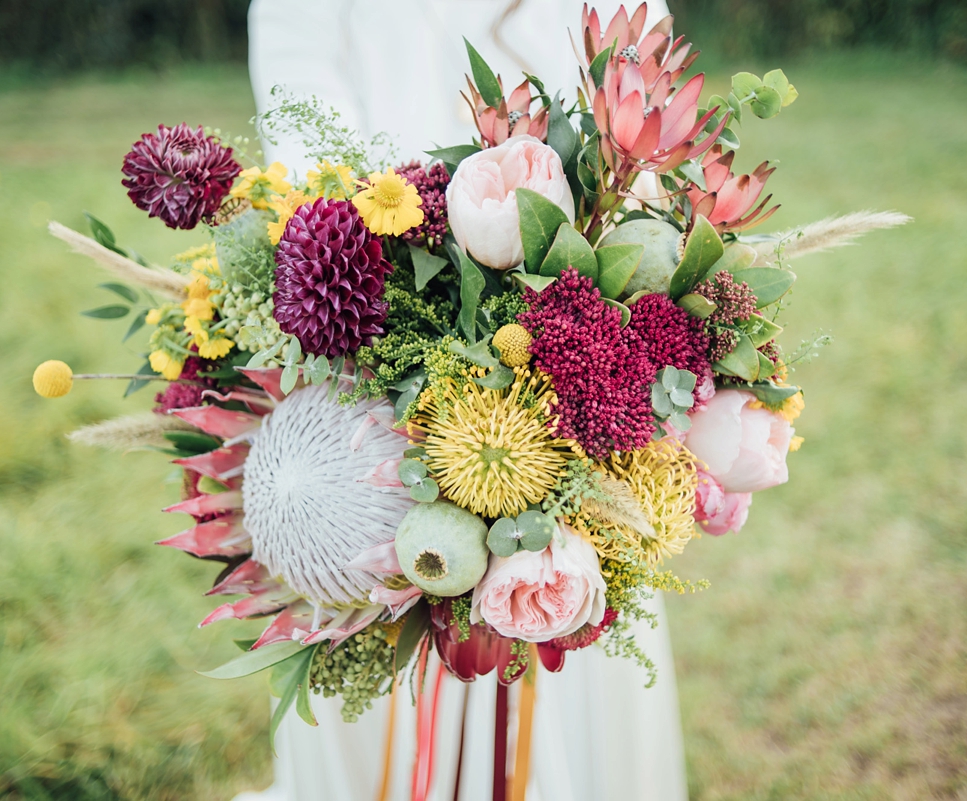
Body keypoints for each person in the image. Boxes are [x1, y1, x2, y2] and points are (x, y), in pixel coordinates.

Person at [236, 2, 687, 799]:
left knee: (563, 628)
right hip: (363, 397)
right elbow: (306, 166)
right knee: (375, 655)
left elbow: (646, 156)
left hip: (573, 411)